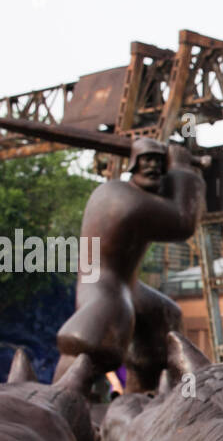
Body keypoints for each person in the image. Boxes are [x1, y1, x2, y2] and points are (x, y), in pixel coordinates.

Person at [53, 138, 206, 391]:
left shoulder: (141, 196)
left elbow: (170, 203)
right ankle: (59, 402)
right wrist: (180, 167)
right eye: (146, 160)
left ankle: (143, 398)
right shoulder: (120, 196)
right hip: (103, 283)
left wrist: (178, 171)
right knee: (91, 338)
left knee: (164, 317)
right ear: (133, 164)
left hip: (128, 284)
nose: (153, 167)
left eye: (159, 162)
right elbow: (182, 221)